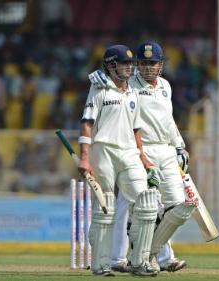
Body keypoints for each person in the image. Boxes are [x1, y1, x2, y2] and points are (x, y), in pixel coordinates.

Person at [88, 42, 196, 273]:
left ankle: (154, 254)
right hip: (138, 150)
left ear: (161, 64)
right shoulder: (130, 84)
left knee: (173, 208)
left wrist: (179, 146)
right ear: (136, 65)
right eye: (143, 63)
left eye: (152, 63)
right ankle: (118, 258)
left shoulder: (166, 86)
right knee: (132, 205)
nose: (148, 68)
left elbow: (168, 120)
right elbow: (109, 78)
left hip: (165, 150)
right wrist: (98, 74)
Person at [78, 45, 159, 276]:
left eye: (129, 64)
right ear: (111, 65)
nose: (128, 68)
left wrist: (142, 155)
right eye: (123, 63)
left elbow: (136, 128)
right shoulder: (99, 87)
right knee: (106, 209)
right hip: (103, 149)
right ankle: (101, 265)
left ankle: (139, 262)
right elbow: (87, 122)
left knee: (146, 203)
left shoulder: (132, 90)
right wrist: (85, 157)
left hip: (129, 152)